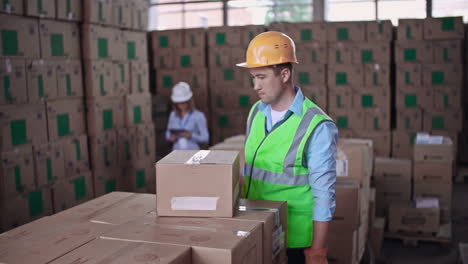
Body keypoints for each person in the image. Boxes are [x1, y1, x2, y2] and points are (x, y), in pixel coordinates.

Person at [236, 31, 338, 264]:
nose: (255, 86)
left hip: (295, 242)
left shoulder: (317, 126)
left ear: (284, 74)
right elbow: (250, 170)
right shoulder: (256, 112)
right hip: (256, 229)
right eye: (253, 77)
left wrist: (318, 251)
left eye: (261, 77)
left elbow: (324, 195)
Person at [165, 82, 209, 150]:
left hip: (193, 154)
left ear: (189, 101)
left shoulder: (199, 116)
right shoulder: (173, 115)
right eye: (179, 103)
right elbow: (168, 134)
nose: (181, 105)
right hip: (176, 154)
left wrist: (191, 135)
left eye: (183, 102)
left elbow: (205, 138)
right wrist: (171, 137)